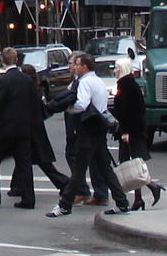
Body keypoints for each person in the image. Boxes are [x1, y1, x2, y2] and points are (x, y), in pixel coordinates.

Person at [48, 52, 130, 217]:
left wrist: (69, 109)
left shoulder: (84, 83)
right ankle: (121, 202)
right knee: (105, 168)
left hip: (87, 130)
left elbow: (82, 104)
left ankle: (64, 205)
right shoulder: (98, 81)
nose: (75, 67)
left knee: (79, 169)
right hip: (99, 129)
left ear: (84, 67)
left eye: (77, 65)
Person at [0, 50, 40, 209]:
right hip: (23, 128)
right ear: (16, 60)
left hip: (4, 129)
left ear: (3, 60)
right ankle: (28, 198)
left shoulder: (3, 80)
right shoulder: (26, 80)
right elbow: (33, 102)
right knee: (24, 163)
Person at [112, 57, 164, 211]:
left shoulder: (126, 85)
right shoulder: (128, 84)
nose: (114, 70)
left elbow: (130, 112)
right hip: (133, 130)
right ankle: (139, 197)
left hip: (131, 131)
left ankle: (150, 189)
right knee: (132, 164)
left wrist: (126, 131)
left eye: (116, 67)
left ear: (122, 69)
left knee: (131, 164)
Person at [22, 63, 72, 194]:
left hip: (31, 129)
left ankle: (64, 182)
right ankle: (17, 186)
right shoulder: (35, 88)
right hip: (35, 128)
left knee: (39, 161)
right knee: (24, 158)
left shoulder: (29, 91)